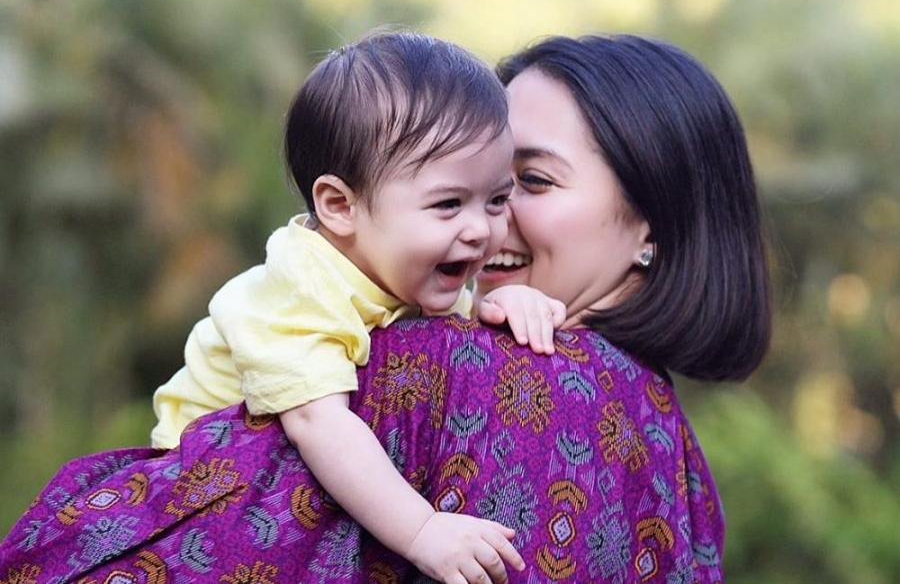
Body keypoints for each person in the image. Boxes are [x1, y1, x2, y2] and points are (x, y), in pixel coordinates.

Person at [0, 34, 770, 582]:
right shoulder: (668, 446)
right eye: (459, 190)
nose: (487, 222)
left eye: (520, 185)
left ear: (655, 224)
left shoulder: (512, 377)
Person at [147, 30, 567, 582]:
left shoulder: (409, 274)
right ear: (340, 206)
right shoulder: (303, 285)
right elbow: (318, 423)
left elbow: (458, 340)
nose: (480, 230)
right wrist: (423, 530)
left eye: (496, 200)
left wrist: (507, 301)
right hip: (202, 490)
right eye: (448, 203)